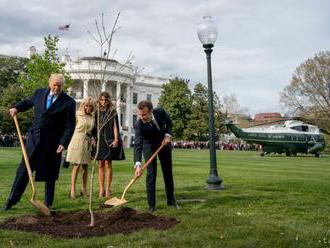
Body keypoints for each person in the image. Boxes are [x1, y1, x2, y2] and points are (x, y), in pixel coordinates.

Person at [2, 73, 76, 211]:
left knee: (50, 174)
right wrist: (16, 107)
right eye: (54, 85)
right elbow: (28, 102)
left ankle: (48, 204)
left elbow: (70, 126)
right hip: (34, 140)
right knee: (23, 171)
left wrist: (63, 143)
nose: (56, 88)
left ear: (63, 86)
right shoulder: (39, 93)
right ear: (50, 83)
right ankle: (11, 200)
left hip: (53, 144)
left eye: (59, 86)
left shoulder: (69, 102)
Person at [134, 100, 179, 212]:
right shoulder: (139, 124)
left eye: (144, 114)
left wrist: (168, 135)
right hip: (148, 145)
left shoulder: (160, 112)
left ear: (151, 111)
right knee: (151, 173)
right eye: (139, 114)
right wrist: (138, 164)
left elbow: (169, 123)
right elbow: (138, 145)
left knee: (167, 171)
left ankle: (171, 200)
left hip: (164, 142)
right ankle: (151, 205)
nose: (141, 117)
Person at [93, 92, 125, 199]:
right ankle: (101, 189)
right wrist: (94, 139)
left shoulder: (112, 111)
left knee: (108, 163)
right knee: (100, 164)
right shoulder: (96, 112)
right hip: (99, 139)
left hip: (109, 138)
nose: (103, 102)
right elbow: (94, 127)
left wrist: (116, 139)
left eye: (105, 100)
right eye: (101, 100)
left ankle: (108, 189)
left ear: (108, 100)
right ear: (99, 100)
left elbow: (115, 126)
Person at [66, 97, 95, 199]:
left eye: (90, 106)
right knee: (77, 165)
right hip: (77, 140)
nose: (88, 107)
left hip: (87, 142)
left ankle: (84, 189)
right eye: (86, 105)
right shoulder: (77, 114)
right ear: (83, 105)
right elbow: (69, 127)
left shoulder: (92, 117)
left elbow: (92, 131)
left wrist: (92, 139)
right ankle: (72, 189)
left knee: (85, 166)